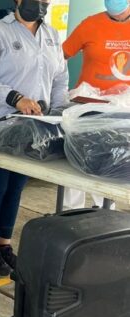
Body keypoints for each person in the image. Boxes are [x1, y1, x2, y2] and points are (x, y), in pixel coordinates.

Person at [0, 0, 68, 276]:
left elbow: (60, 78)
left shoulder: (51, 35)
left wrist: (60, 111)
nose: (40, 3)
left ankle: (5, 245)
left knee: (15, 189)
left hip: (33, 128)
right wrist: (16, 98)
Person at [61, 0, 129, 210]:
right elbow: (60, 56)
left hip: (121, 110)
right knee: (77, 159)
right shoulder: (90, 24)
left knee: (111, 160)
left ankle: (105, 212)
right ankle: (71, 212)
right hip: (87, 106)